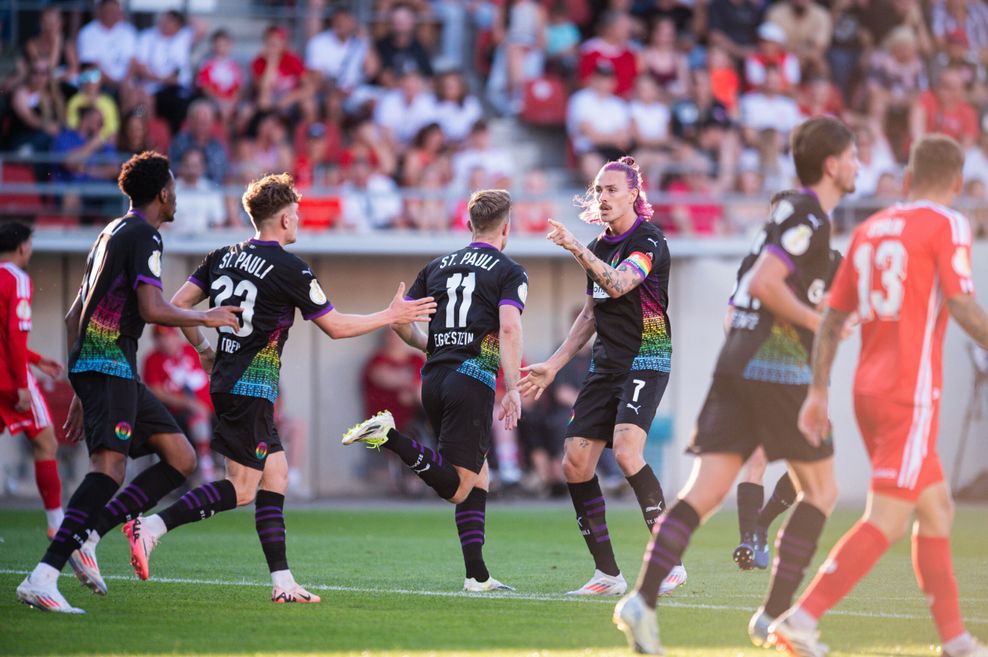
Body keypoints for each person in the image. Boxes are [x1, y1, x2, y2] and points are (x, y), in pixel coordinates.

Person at [122, 174, 436, 603]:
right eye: (298, 215)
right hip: (249, 387)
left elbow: (174, 307)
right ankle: (152, 526)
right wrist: (389, 314)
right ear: (285, 219)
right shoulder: (292, 268)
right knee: (244, 487)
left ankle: (283, 582)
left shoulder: (221, 256)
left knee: (277, 475)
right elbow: (336, 327)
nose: (299, 221)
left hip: (235, 384)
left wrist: (203, 348)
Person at [611, 116, 859, 655]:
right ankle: (777, 618)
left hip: (735, 363)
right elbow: (769, 285)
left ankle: (642, 601)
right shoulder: (809, 215)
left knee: (704, 492)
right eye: (855, 156)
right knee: (822, 491)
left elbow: (762, 284)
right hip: (776, 368)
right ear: (833, 165)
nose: (861, 164)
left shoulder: (785, 217)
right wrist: (821, 324)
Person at [770, 135, 988, 657]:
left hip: (868, 388)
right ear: (957, 183)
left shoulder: (869, 229)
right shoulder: (949, 222)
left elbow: (834, 318)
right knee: (887, 519)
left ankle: (955, 640)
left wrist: (819, 390)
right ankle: (800, 619)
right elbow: (960, 304)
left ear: (907, 180)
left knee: (936, 510)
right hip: (909, 393)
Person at [14, 151, 242, 614]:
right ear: (163, 193)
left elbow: (73, 314)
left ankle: (89, 535)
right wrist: (207, 315)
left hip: (107, 366)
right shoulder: (144, 235)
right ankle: (44, 575)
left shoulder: (109, 232)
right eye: (174, 188)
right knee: (108, 470)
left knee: (179, 458)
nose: (175, 196)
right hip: (110, 364)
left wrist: (81, 380)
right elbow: (154, 308)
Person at [343, 189, 526, 592]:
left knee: (479, 476)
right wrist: (511, 387)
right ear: (506, 229)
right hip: (472, 381)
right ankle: (388, 437)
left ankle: (477, 576)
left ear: (468, 225)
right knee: (459, 487)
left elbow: (400, 323)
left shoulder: (437, 266)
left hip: (434, 378)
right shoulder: (509, 270)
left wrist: (434, 346)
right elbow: (510, 327)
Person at [519, 156, 685, 597]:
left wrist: (576, 247)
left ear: (634, 193)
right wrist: (554, 365)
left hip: (647, 356)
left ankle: (670, 561)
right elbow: (591, 315)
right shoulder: (598, 244)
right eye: (598, 191)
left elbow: (618, 284)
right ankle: (607, 575)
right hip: (607, 362)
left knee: (628, 452)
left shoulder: (649, 239)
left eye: (612, 189)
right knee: (573, 463)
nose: (604, 197)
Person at [0, 223, 65, 539]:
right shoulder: (18, 280)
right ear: (23, 247)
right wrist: (23, 385)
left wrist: (37, 359)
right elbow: (12, 334)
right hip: (10, 378)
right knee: (46, 441)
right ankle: (57, 522)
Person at [143, 326, 216, 480]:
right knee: (196, 420)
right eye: (160, 338)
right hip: (179, 416)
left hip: (212, 411)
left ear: (177, 337)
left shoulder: (193, 351)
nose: (165, 341)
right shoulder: (152, 359)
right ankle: (205, 464)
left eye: (168, 337)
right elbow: (156, 391)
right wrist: (190, 404)